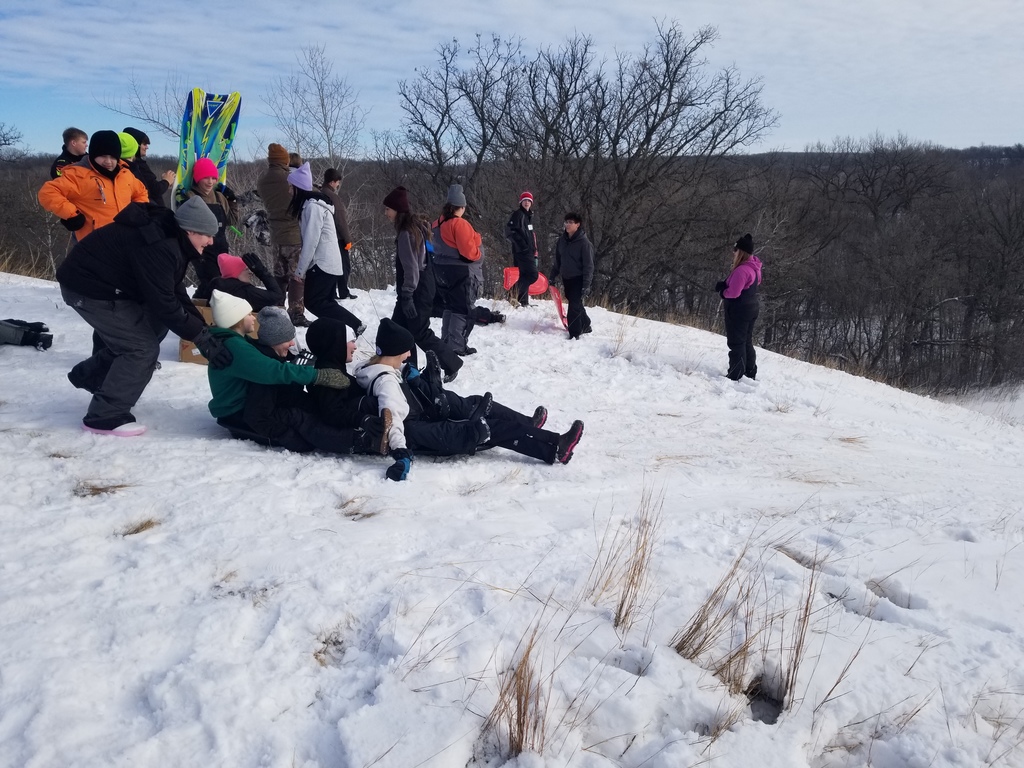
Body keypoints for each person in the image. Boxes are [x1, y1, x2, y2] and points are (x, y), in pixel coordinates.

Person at [56, 197, 233, 435]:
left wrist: (204, 330)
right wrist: (201, 339)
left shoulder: (173, 240)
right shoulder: (161, 246)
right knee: (140, 349)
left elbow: (174, 290)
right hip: (89, 288)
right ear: (190, 230)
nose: (211, 242)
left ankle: (94, 377)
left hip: (113, 285)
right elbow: (164, 302)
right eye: (207, 235)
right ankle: (104, 416)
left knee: (155, 327)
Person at [353, 319, 585, 481]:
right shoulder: (386, 382)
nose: (409, 354)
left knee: (477, 406)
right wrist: (401, 454)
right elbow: (391, 419)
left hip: (424, 423)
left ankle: (532, 429)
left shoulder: (378, 369)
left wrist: (418, 379)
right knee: (490, 429)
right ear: (395, 351)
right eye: (406, 350)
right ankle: (556, 446)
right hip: (425, 434)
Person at [205, 297, 390, 455]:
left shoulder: (239, 342)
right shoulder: (236, 348)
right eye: (247, 314)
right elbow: (272, 372)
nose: (252, 317)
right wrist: (317, 376)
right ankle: (359, 441)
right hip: (238, 413)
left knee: (305, 406)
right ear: (235, 319)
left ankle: (347, 431)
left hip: (247, 406)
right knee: (299, 418)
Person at [382, 185, 462, 382]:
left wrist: (408, 296)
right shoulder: (417, 227)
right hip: (421, 286)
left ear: (397, 210)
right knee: (399, 329)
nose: (386, 213)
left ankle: (451, 362)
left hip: (416, 289)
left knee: (419, 332)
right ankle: (409, 370)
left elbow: (412, 267)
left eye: (388, 209)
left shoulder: (405, 234)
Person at [287, 162, 365, 337]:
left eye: (291, 187)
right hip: (328, 262)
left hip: (322, 263)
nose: (288, 191)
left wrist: (300, 271)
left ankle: (355, 324)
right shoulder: (312, 205)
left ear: (298, 187)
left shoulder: (313, 207)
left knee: (314, 302)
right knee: (326, 302)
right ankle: (337, 332)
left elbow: (311, 241)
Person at [38, 129, 149, 243]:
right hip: (95, 244)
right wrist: (72, 215)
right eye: (103, 156)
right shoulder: (79, 175)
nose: (108, 161)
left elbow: (141, 192)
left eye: (113, 157)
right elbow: (48, 192)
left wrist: (138, 213)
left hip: (126, 239)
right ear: (93, 155)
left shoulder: (125, 174)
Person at [257, 143, 306, 325]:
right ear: (284, 161)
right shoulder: (290, 179)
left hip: (275, 235)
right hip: (293, 234)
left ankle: (277, 307)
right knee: (296, 275)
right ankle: (296, 313)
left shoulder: (262, 181)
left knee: (279, 275)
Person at [431, 184, 483, 356]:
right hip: (460, 272)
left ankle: (446, 341)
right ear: (461, 207)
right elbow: (469, 254)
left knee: (450, 307)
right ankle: (457, 345)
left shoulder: (436, 224)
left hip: (440, 270)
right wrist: (477, 243)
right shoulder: (459, 224)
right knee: (463, 309)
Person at [183, 157, 240, 300]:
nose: (210, 182)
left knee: (216, 284)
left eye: (213, 178)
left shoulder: (220, 197)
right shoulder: (192, 196)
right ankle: (204, 311)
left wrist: (232, 201)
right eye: (206, 178)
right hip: (202, 250)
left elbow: (232, 221)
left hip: (221, 248)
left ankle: (198, 306)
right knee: (213, 282)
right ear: (197, 178)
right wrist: (181, 203)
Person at [715, 233, 763, 381]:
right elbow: (754, 284)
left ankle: (735, 374)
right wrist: (728, 283)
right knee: (746, 341)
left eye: (735, 250)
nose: (733, 252)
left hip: (739, 309)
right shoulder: (754, 267)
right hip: (751, 307)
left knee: (736, 342)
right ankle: (750, 371)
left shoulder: (742, 270)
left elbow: (733, 293)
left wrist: (723, 291)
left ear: (740, 252)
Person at [550, 212, 594, 340]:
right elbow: (558, 260)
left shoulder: (584, 243)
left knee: (573, 306)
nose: (567, 225)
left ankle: (574, 334)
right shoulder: (562, 241)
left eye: (570, 222)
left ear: (577, 225)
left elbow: (589, 266)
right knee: (575, 302)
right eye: (566, 222)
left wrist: (586, 285)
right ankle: (586, 324)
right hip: (567, 277)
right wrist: (552, 276)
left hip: (578, 278)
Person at [320, 168, 356, 300]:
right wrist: (347, 239)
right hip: (338, 237)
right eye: (337, 182)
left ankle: (332, 292)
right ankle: (343, 291)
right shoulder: (333, 197)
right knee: (344, 266)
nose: (338, 185)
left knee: (330, 265)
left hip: (325, 237)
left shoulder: (320, 193)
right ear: (332, 182)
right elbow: (340, 219)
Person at [205, 252, 284, 311]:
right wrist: (261, 272)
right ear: (236, 272)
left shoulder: (214, 288)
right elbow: (277, 296)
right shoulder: (245, 291)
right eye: (246, 269)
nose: (251, 272)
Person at [122, 126, 176, 207]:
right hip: (150, 212)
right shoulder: (137, 166)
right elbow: (154, 190)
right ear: (135, 145)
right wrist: (167, 181)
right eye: (144, 144)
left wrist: (164, 181)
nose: (147, 147)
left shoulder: (131, 165)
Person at [504, 191, 538, 307]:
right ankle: (511, 294)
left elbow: (530, 235)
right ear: (521, 202)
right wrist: (522, 245)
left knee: (524, 275)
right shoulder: (518, 214)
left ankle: (523, 301)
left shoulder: (528, 216)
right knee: (532, 275)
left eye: (529, 201)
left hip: (528, 251)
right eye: (525, 200)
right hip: (522, 251)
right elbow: (509, 231)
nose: (527, 203)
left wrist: (534, 250)